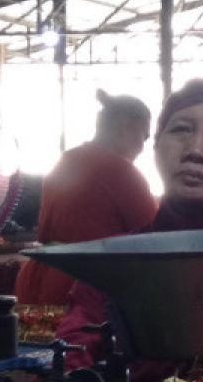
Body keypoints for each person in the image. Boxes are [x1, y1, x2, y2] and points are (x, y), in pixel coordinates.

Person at [55, 78, 203, 371]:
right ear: (155, 148)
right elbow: (74, 349)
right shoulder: (115, 264)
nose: (195, 150)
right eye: (180, 130)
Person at [14, 90, 156, 305]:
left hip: (38, 281)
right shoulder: (121, 171)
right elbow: (156, 238)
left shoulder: (65, 161)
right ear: (124, 128)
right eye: (143, 136)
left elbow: (44, 232)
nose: (142, 147)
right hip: (85, 289)